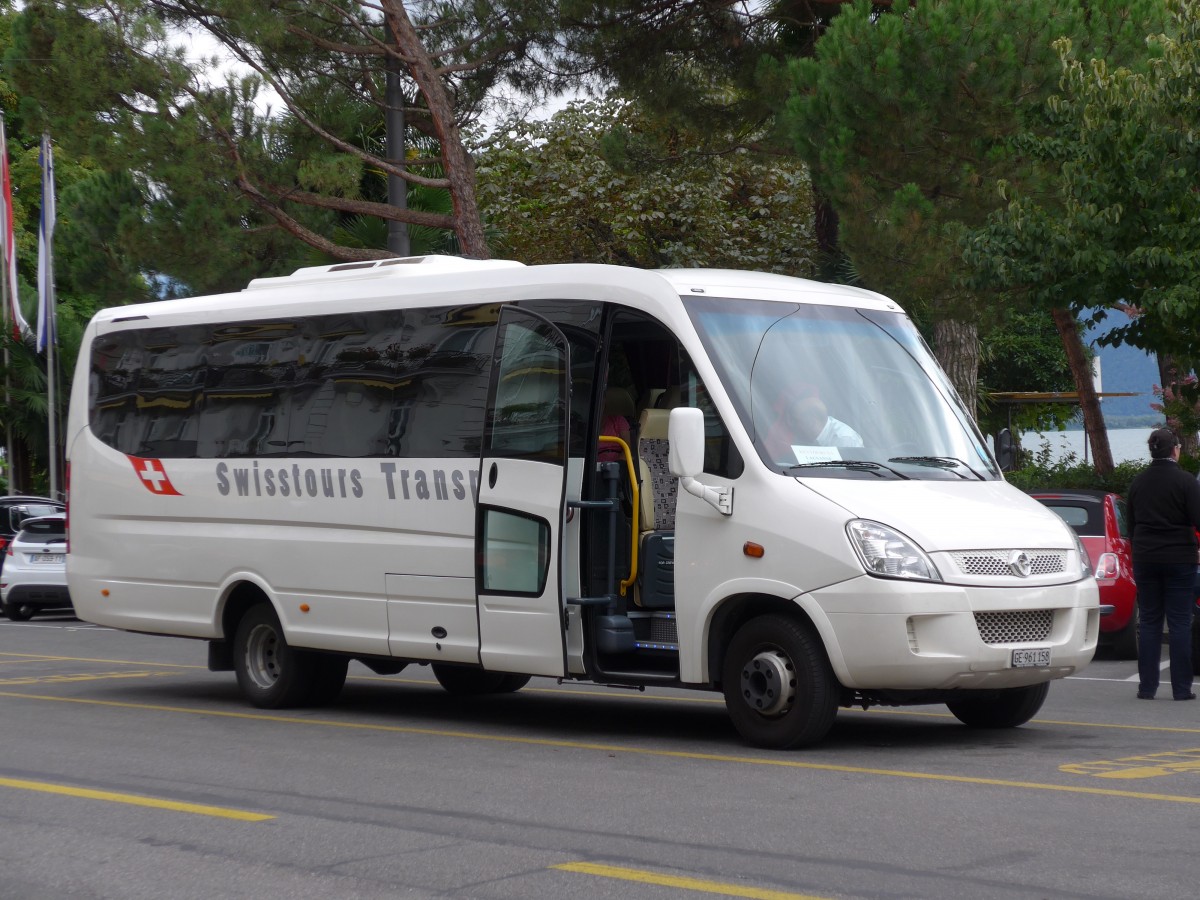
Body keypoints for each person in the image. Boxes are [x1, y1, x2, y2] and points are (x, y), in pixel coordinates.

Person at [1126, 427, 1200, 701]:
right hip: (1179, 558)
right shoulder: (1185, 482)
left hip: (1146, 557)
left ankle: (1147, 687)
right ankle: (1181, 689)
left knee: (1149, 621)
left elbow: (1131, 524)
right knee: (1180, 622)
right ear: (1175, 449)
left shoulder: (1139, 482)